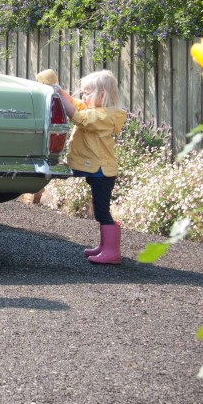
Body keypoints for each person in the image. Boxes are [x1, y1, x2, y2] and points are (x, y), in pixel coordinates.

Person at [40, 69, 127, 264]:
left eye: (87, 92)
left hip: (101, 170)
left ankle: (112, 252)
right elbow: (76, 105)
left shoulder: (106, 116)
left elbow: (78, 117)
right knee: (100, 209)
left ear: (102, 95)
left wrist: (56, 97)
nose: (83, 96)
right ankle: (106, 246)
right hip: (94, 166)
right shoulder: (96, 110)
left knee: (102, 211)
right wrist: (60, 91)